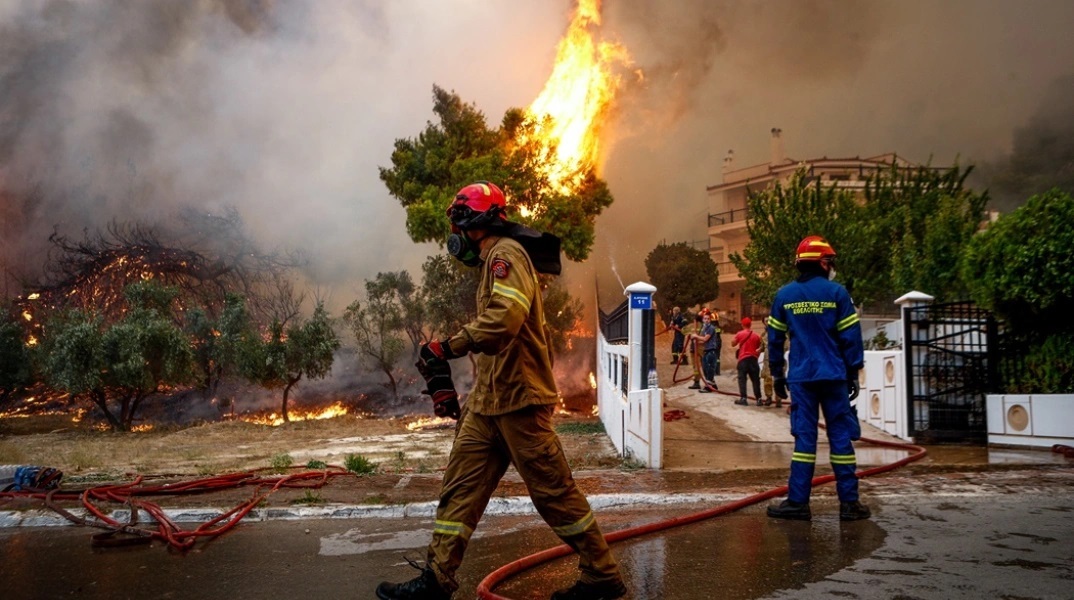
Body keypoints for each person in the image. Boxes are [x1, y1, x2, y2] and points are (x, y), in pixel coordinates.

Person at [376, 181, 625, 600]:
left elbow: (504, 320)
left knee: (553, 494)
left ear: (473, 224)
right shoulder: (494, 257)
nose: (455, 236)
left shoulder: (506, 255)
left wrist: (447, 347)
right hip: (488, 402)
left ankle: (601, 574)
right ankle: (436, 580)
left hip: (520, 400)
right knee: (460, 490)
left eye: (458, 224)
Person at [765, 235, 869, 522]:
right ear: (823, 263)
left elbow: (774, 339)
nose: (832, 267)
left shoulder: (784, 295)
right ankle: (849, 504)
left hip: (801, 378)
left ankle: (798, 503)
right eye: (830, 261)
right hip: (834, 375)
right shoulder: (838, 293)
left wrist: (777, 373)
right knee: (841, 437)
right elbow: (851, 337)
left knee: (804, 440)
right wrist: (853, 372)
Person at [732, 317, 764, 406]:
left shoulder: (740, 334)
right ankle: (759, 399)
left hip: (743, 359)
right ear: (750, 325)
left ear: (742, 325)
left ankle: (743, 398)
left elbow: (733, 343)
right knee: (755, 380)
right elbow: (760, 348)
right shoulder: (756, 336)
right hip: (753, 360)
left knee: (742, 379)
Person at [690, 309, 720, 393]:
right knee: (705, 368)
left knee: (708, 369)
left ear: (710, 319)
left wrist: (696, 337)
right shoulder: (704, 327)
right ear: (703, 319)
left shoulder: (710, 328)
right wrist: (695, 341)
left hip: (710, 350)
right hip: (706, 350)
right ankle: (713, 385)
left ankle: (708, 387)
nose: (706, 320)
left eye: (708, 319)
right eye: (705, 318)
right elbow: (703, 340)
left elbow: (705, 339)